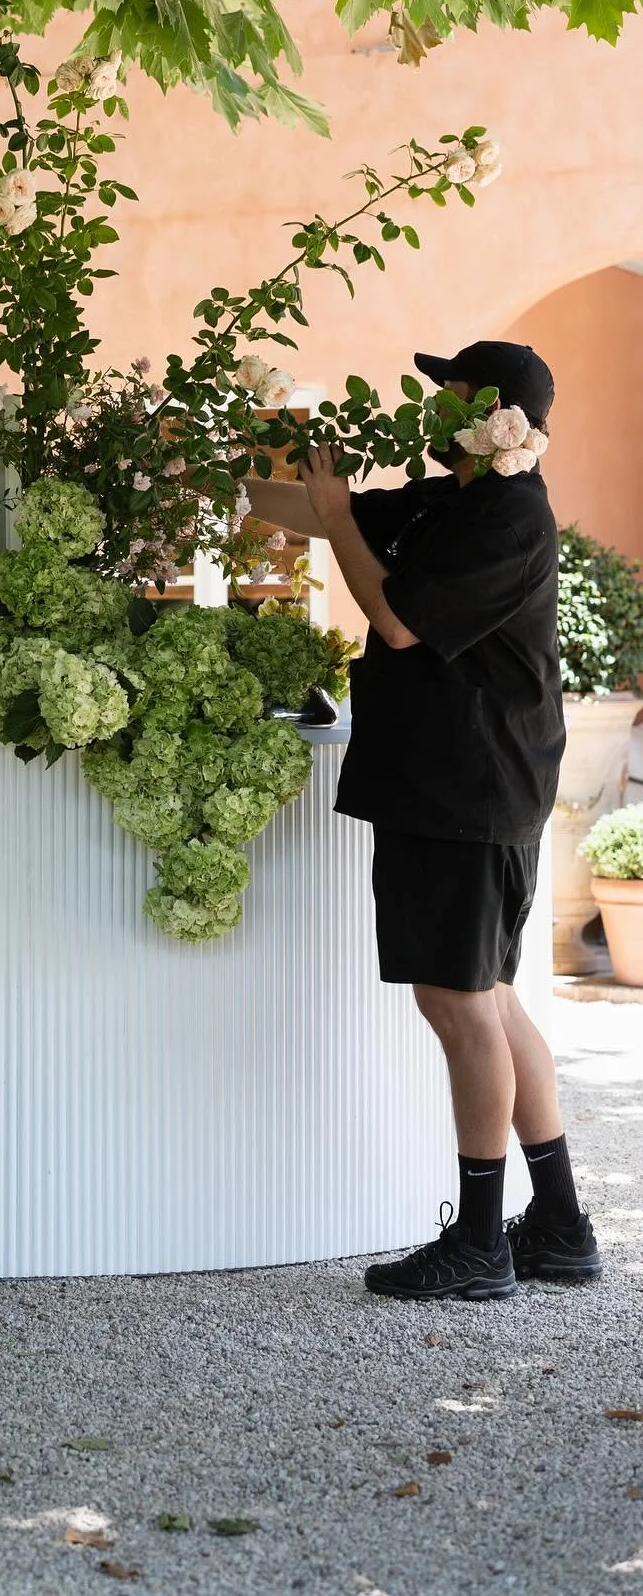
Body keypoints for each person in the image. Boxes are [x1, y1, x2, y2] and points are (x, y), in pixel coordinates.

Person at [245, 340, 601, 1300]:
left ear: (498, 415)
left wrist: (329, 514)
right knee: (486, 993)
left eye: (447, 396)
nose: (429, 409)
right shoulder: (452, 500)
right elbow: (317, 516)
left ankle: (482, 1242)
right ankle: (560, 1227)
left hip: (469, 789)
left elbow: (396, 619)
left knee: (457, 1002)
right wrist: (227, 472)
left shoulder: (509, 518)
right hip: (454, 784)